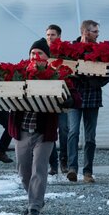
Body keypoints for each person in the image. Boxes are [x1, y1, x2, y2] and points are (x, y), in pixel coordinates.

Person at [8, 45, 80, 215]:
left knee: (39, 169)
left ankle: (34, 207)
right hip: (22, 131)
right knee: (23, 171)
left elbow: (76, 97)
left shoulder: (56, 75)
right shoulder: (20, 73)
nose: (35, 55)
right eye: (32, 52)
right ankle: (34, 199)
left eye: (39, 53)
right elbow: (3, 89)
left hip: (43, 132)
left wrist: (70, 99)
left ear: (47, 57)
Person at [66, 20, 109, 183]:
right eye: (94, 32)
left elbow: (106, 75)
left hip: (93, 96)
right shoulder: (70, 49)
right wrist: (75, 75)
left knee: (90, 137)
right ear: (85, 32)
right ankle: (72, 168)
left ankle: (87, 172)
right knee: (73, 132)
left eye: (97, 32)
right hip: (75, 96)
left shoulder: (101, 51)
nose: (97, 34)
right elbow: (61, 68)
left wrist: (93, 80)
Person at [44, 24, 68, 175]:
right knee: (50, 131)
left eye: (52, 34)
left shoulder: (64, 53)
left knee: (64, 130)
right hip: (47, 97)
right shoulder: (42, 51)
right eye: (48, 34)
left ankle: (63, 160)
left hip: (62, 97)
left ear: (59, 36)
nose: (49, 37)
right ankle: (53, 164)